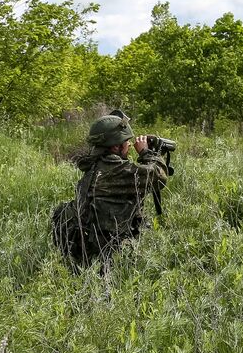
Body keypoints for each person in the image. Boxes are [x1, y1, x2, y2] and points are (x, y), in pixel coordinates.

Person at [53, 112, 170, 265]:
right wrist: (146, 152)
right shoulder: (115, 171)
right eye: (126, 142)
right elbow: (158, 177)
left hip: (86, 246)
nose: (129, 145)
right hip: (107, 254)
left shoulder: (94, 164)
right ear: (115, 146)